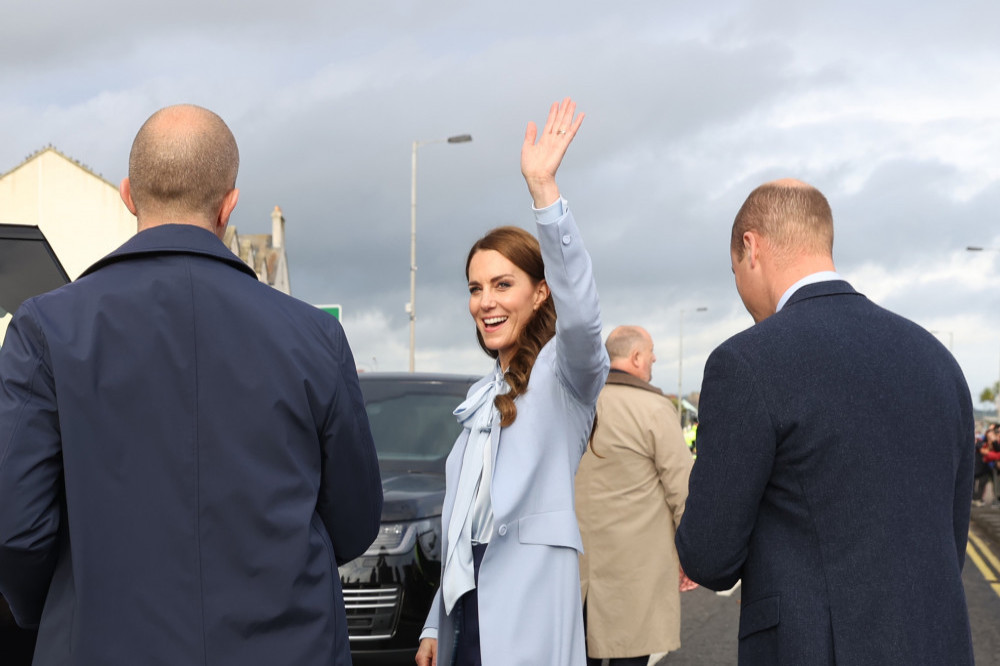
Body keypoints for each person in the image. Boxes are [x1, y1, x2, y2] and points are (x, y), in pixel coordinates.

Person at [0, 105, 383, 666]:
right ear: (229, 204)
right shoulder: (315, 336)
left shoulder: (45, 330)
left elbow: (16, 525)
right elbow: (353, 517)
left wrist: (64, 607)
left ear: (129, 194)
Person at [675, 179, 975, 665]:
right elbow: (950, 535)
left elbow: (710, 557)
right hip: (936, 644)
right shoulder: (938, 360)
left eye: (734, 271)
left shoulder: (746, 362)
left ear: (751, 247)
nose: (741, 290)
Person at [414, 98, 608, 666]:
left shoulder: (564, 374)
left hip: (526, 614)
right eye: (476, 289)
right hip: (468, 615)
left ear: (539, 292)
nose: (486, 302)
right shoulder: (482, 395)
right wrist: (434, 623)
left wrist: (544, 191)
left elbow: (584, 314)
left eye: (503, 284)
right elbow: (463, 526)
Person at [575, 326, 694, 666]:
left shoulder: (581, 405)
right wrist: (691, 554)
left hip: (579, 572)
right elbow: (681, 487)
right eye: (651, 352)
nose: (654, 358)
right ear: (636, 357)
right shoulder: (654, 409)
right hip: (637, 574)